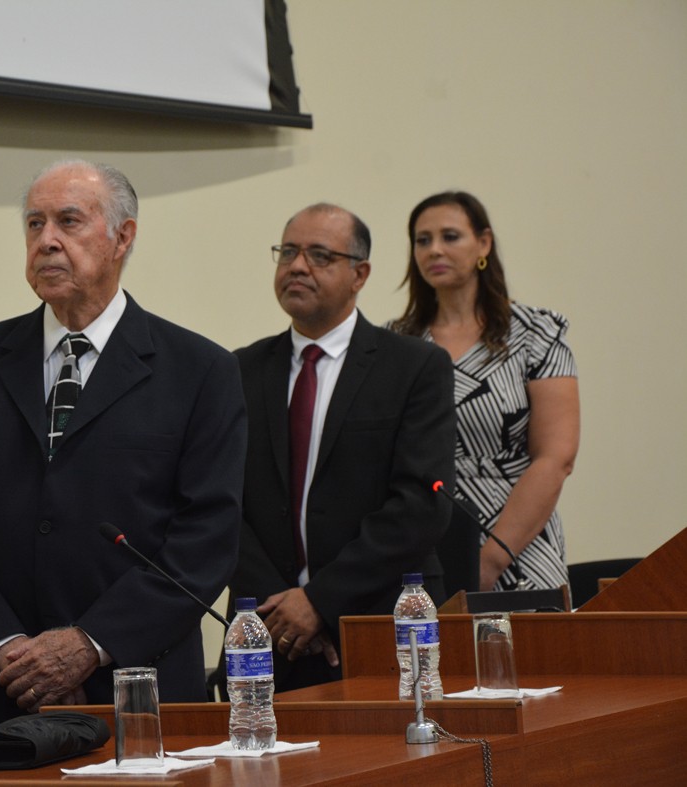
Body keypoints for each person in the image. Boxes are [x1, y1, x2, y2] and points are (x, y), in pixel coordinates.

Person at [0, 160, 246, 742]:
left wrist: (88, 645)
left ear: (123, 237)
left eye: (69, 222)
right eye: (34, 224)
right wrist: (8, 650)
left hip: (137, 690)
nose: (46, 240)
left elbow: (206, 540)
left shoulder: (201, 370)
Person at [231, 203, 456, 691]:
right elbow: (222, 505)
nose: (296, 266)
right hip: (272, 636)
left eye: (318, 255)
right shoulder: (238, 372)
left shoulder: (414, 367)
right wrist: (283, 609)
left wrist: (319, 602)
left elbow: (421, 505)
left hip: (382, 626)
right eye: (287, 252)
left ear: (360, 274)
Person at [389, 191, 579, 592]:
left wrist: (489, 560)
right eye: (423, 240)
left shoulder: (537, 333)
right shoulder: (397, 342)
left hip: (518, 539)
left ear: (484, 243)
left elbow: (556, 458)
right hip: (419, 540)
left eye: (450, 236)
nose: (434, 250)